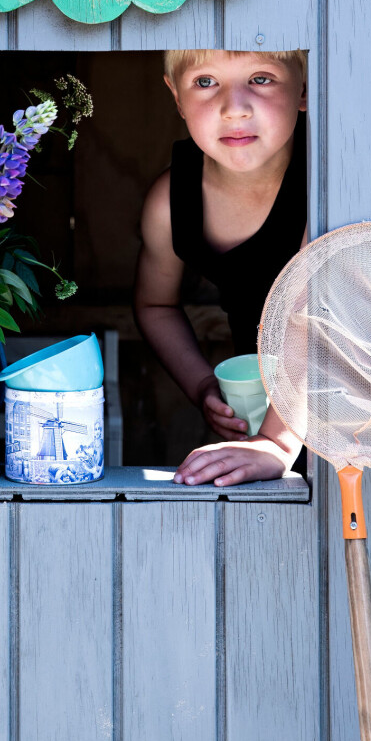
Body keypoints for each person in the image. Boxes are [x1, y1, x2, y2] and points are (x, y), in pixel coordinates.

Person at [133, 48, 309, 487]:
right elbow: (155, 305)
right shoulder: (171, 202)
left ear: (305, 87)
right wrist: (202, 386)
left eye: (261, 79)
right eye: (206, 82)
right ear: (177, 97)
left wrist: (279, 441)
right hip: (263, 430)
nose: (234, 108)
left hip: (360, 419)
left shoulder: (329, 182)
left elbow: (314, 319)